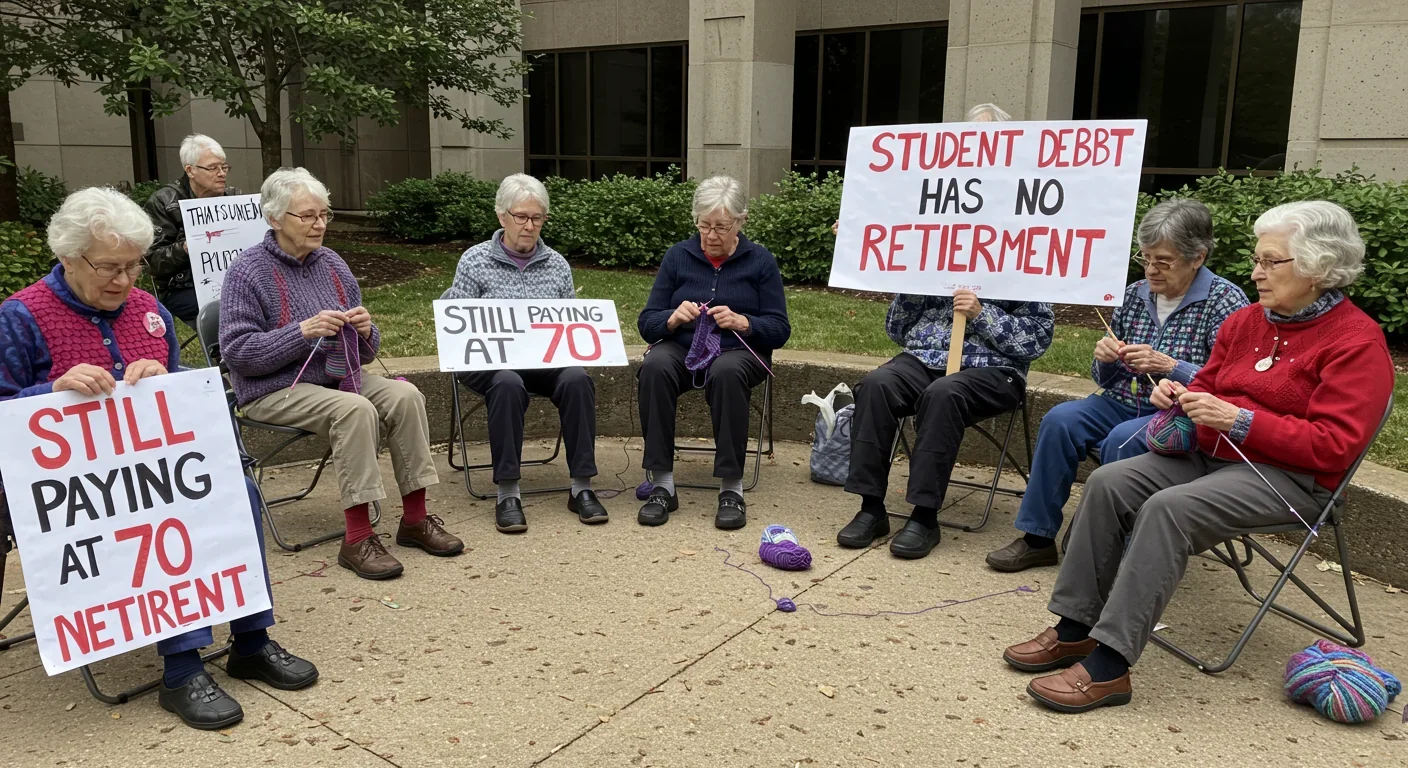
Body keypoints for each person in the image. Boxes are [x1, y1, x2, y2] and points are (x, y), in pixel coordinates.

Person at [1003, 200, 1394, 714]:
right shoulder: (1249, 322)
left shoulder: (1356, 342)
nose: (1256, 273)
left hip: (1292, 478)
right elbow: (1209, 384)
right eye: (1257, 260)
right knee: (1110, 481)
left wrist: (1237, 419)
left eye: (1270, 262)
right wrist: (1176, 396)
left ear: (1320, 267)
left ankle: (1110, 666)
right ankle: (1075, 627)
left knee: (1169, 508)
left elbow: (1333, 446)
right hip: (1213, 452)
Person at [0, 187, 317, 730]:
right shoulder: (20, 316)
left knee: (237, 491)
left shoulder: (148, 311)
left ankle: (251, 638)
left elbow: (179, 406)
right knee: (150, 514)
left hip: (154, 469)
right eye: (110, 268)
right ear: (69, 258)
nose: (125, 281)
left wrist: (167, 381)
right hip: (72, 494)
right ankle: (181, 666)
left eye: (133, 266)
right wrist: (52, 390)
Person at [833, 103, 1055, 560]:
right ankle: (871, 507)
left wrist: (981, 314)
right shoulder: (931, 221)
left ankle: (923, 516)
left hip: (992, 371)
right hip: (923, 359)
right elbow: (898, 330)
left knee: (944, 395)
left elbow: (1037, 339)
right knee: (875, 384)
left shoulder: (1028, 228)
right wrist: (895, 265)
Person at [219, 168, 461, 581]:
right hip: (272, 387)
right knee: (354, 410)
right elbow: (238, 354)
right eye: (307, 216)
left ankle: (415, 519)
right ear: (275, 219)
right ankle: (357, 538)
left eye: (324, 214)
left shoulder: (332, 264)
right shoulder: (247, 271)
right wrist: (301, 332)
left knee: (406, 397)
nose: (319, 224)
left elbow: (363, 354)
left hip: (335, 378)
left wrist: (367, 330)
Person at [985, 199, 1248, 572]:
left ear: (1198, 257)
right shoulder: (1136, 293)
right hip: (1122, 400)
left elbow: (1232, 381)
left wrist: (1172, 366)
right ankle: (1037, 536)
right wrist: (1106, 359)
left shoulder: (1226, 302)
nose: (1152, 270)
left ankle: (1106, 544)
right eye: (1146, 258)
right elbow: (1103, 379)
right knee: (1061, 420)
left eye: (1163, 261)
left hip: (1178, 417)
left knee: (1122, 439)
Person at [440, 174, 608, 533]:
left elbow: (570, 324)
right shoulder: (474, 261)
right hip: (489, 363)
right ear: (502, 216)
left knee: (578, 378)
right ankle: (508, 492)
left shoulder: (557, 265)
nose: (530, 226)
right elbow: (456, 321)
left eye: (538, 218)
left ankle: (581, 487)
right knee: (506, 383)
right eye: (522, 217)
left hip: (542, 361)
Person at [635, 175, 791, 530]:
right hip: (681, 347)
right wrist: (672, 319)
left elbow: (780, 329)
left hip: (739, 351)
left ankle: (731, 489)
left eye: (721, 226)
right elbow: (647, 322)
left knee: (727, 372)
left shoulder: (760, 261)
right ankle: (662, 485)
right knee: (655, 365)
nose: (711, 235)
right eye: (703, 225)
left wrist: (744, 322)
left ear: (741, 221)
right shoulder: (678, 255)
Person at [142, 134, 244, 325]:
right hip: (182, 287)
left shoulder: (234, 198)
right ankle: (230, 352)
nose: (221, 173)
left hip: (233, 281)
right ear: (190, 170)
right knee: (232, 311)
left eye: (224, 167)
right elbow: (153, 262)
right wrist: (186, 247)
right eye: (213, 168)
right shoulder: (164, 202)